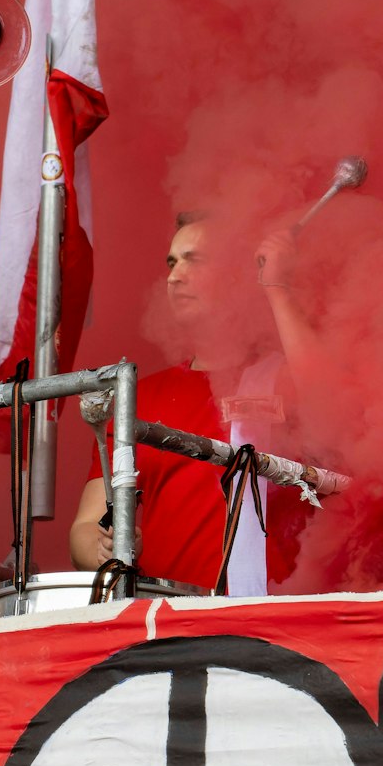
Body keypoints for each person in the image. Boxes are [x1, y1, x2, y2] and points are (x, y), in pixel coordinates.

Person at [66, 214, 319, 591]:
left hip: (269, 620)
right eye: (171, 262)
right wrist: (105, 551)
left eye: (193, 260)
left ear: (238, 276)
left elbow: (334, 404)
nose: (173, 276)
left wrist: (277, 287)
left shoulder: (285, 375)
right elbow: (85, 527)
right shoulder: (138, 396)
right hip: (160, 625)